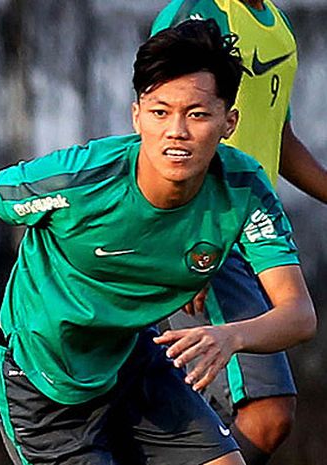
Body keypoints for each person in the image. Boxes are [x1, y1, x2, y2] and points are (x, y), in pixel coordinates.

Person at [0, 20, 317, 465]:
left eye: (197, 115)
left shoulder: (243, 186)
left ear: (228, 123)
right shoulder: (82, 180)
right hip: (40, 383)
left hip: (129, 362)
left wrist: (231, 336)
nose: (177, 132)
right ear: (136, 116)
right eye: (161, 111)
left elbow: (298, 314)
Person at [151, 3, 327, 463]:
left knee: (246, 418)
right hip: (208, 238)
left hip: (256, 238)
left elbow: (279, 137)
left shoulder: (280, 27)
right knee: (265, 415)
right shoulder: (199, 13)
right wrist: (186, 239)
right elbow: (165, 127)